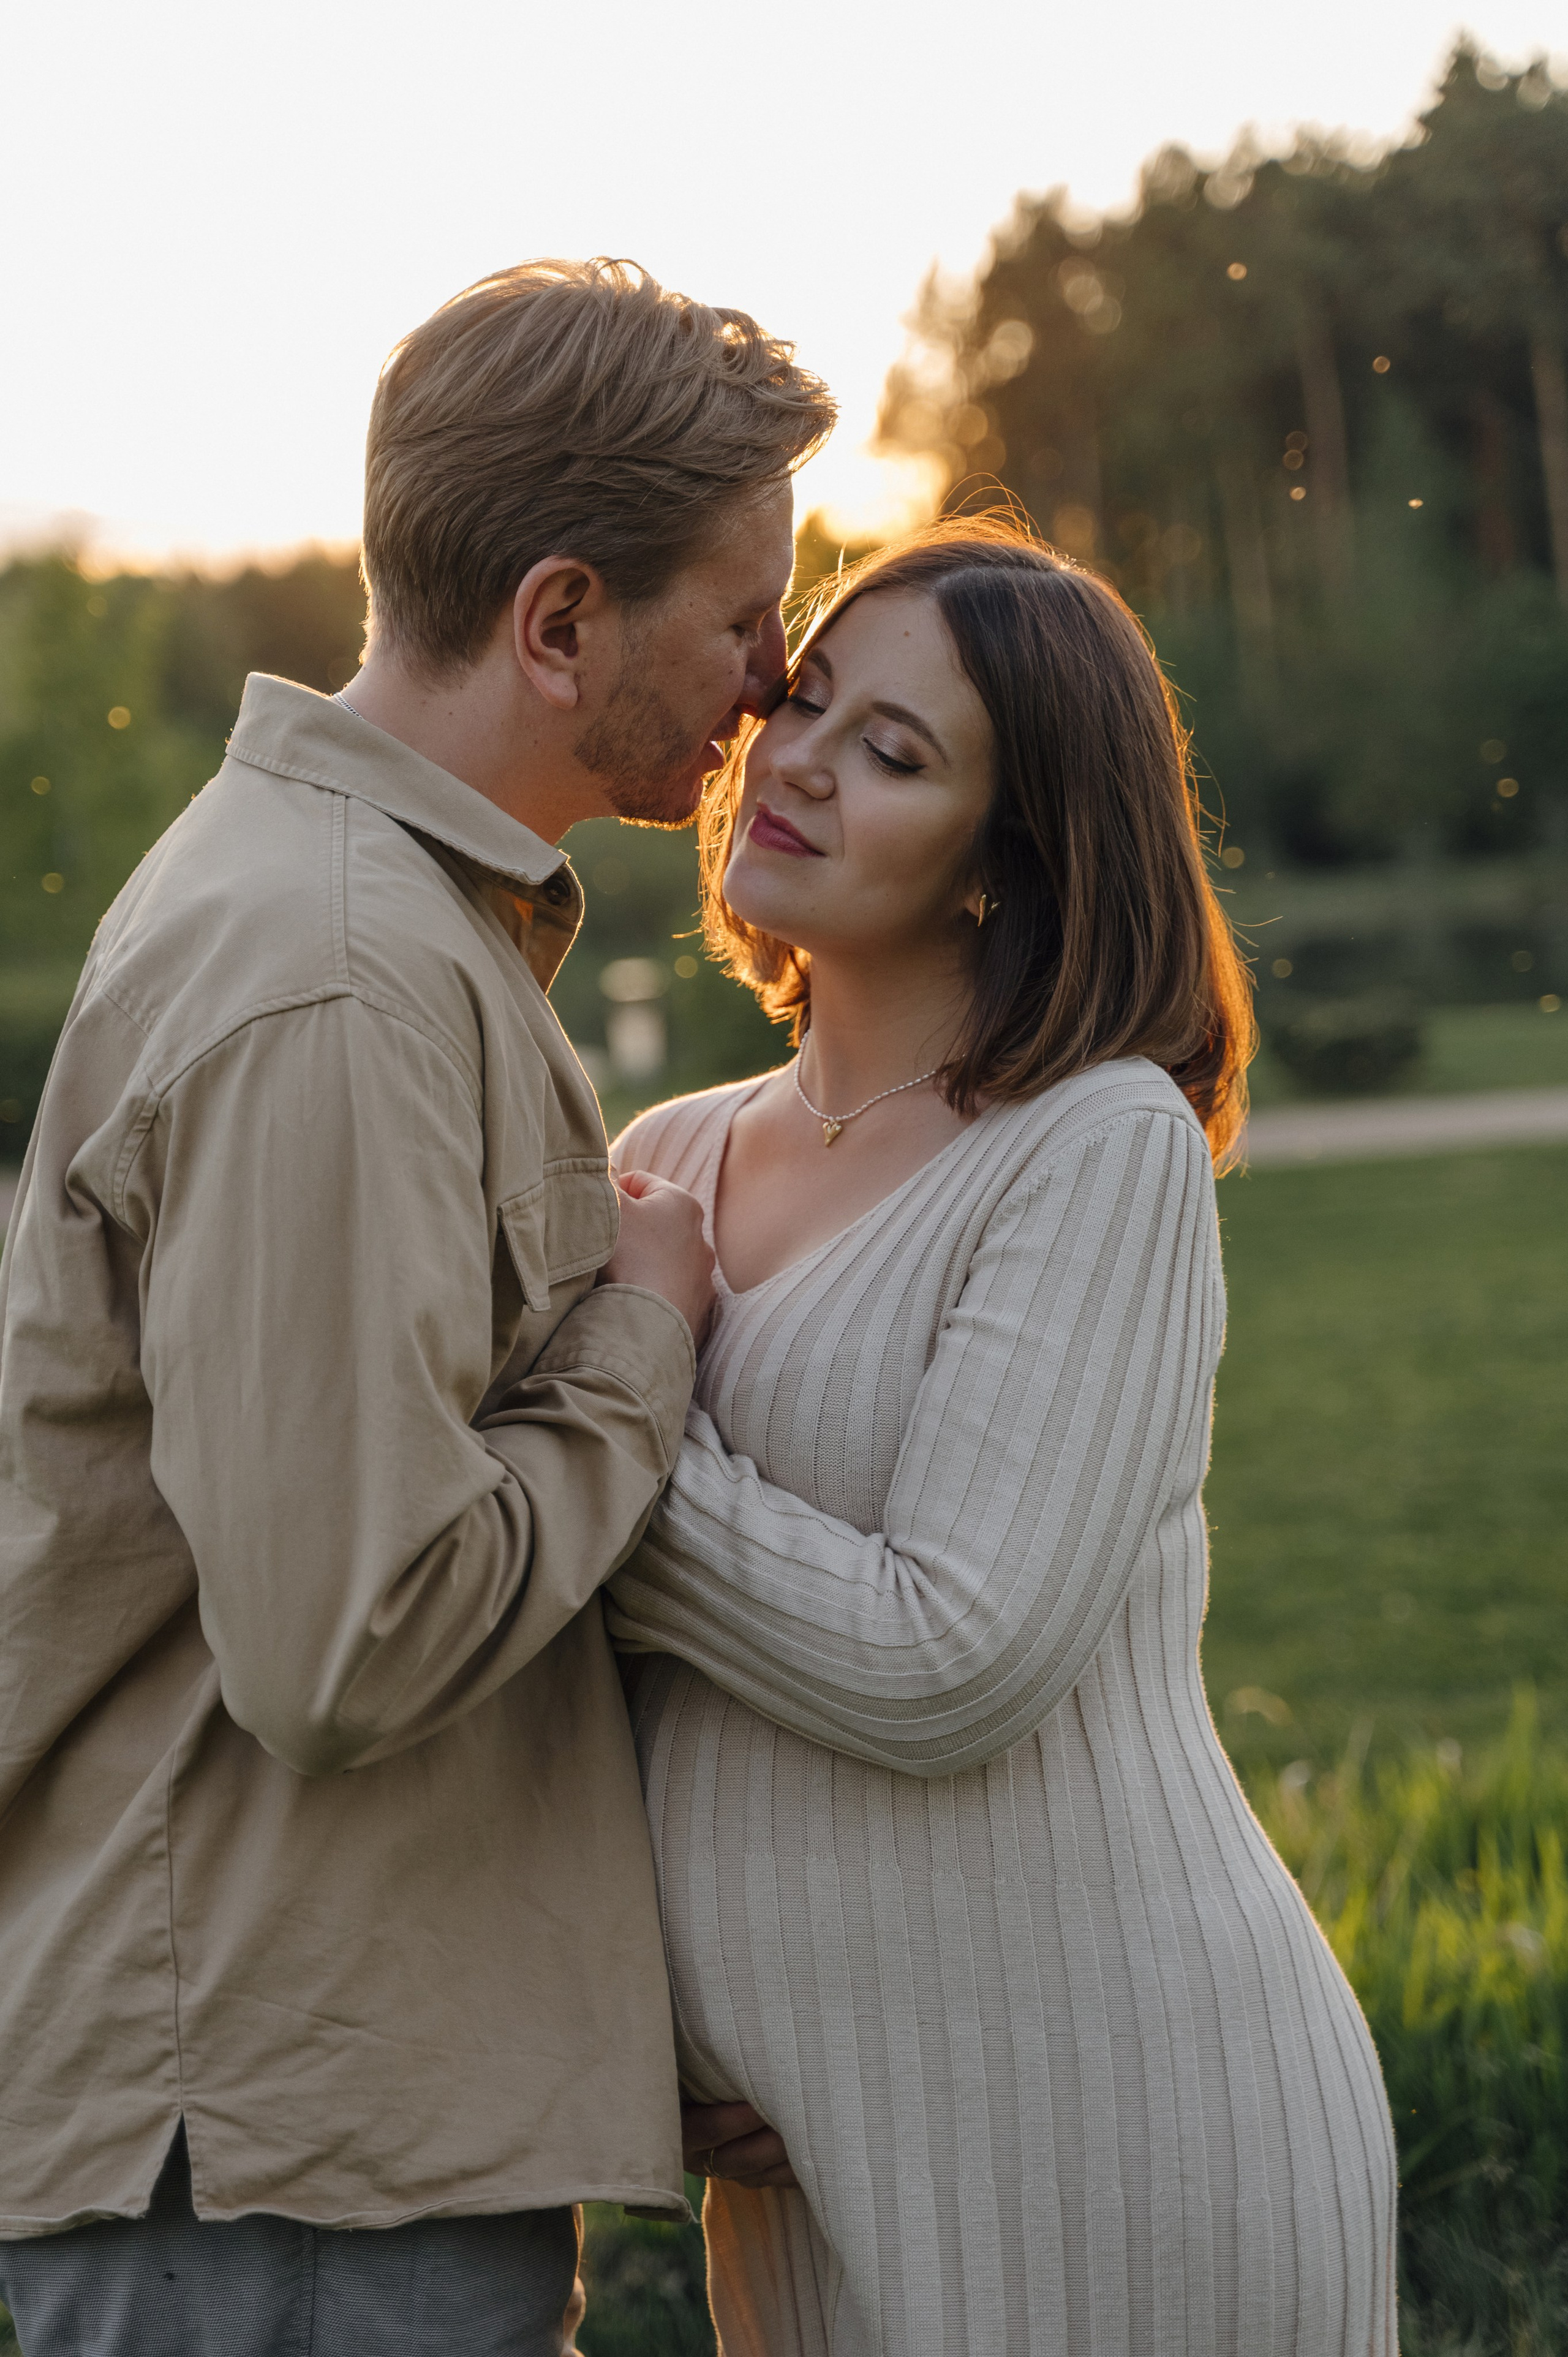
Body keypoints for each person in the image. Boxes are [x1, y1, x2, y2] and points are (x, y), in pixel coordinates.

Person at [0, 257, 832, 2357]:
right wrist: (643, 1333)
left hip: (333, 2104)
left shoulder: (368, 925)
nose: (774, 681)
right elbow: (349, 1634)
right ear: (560, 623)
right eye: (744, 616)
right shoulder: (340, 980)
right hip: (275, 2164)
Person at [608, 518, 1400, 2357]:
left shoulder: (1096, 1145)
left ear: (1010, 859)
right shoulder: (660, 1163)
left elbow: (949, 1659)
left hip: (1119, 2121)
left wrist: (620, 1413)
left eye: (896, 753)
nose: (802, 760)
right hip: (806, 2168)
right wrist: (634, 2024)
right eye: (805, 699)